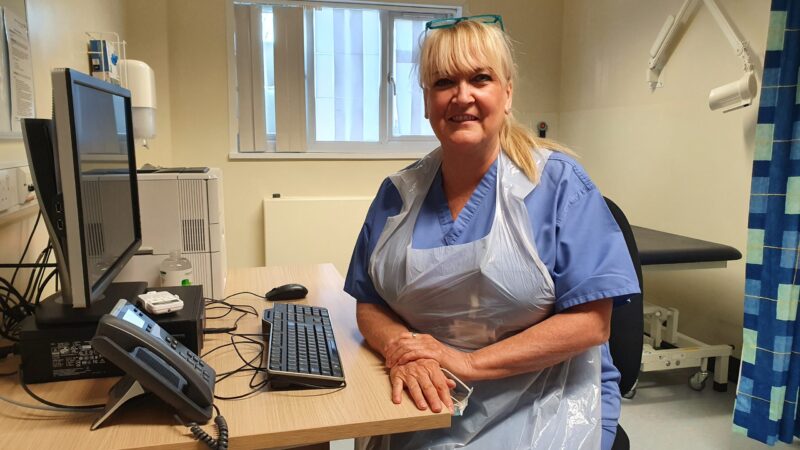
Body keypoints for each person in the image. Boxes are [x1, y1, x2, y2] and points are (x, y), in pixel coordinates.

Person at [344, 15, 640, 450]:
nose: (461, 96)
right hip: (427, 393)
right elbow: (368, 303)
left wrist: (466, 362)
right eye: (444, 82)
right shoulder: (398, 195)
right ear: (427, 100)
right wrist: (400, 349)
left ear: (507, 92)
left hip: (546, 397)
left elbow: (592, 324)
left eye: (480, 78)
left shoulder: (556, 185)